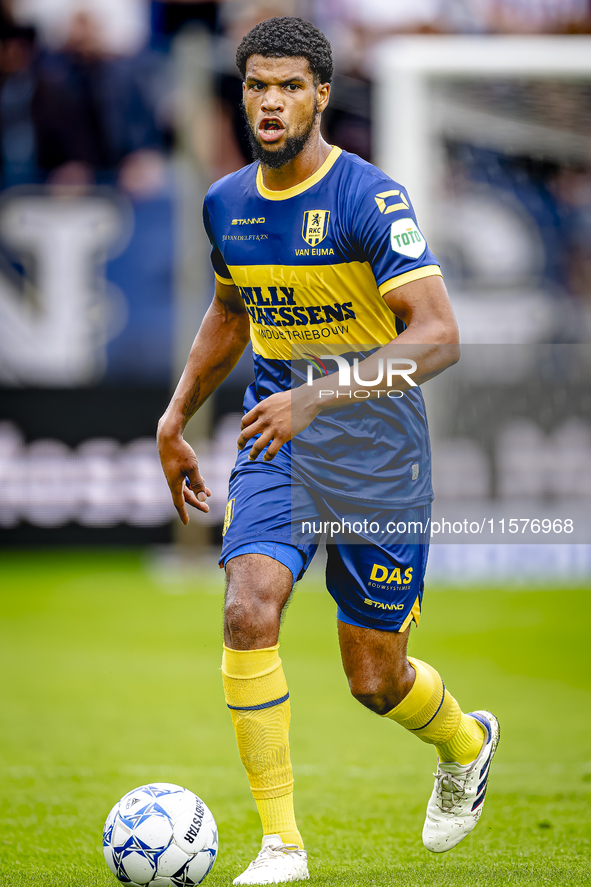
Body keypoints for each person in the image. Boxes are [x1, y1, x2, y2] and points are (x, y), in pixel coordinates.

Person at [157, 16, 499, 885]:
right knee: (247, 607)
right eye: (255, 86)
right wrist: (176, 415)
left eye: (287, 86)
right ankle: (281, 846)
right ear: (242, 96)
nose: (269, 102)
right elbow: (232, 311)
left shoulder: (368, 198)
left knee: (373, 680)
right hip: (281, 436)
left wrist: (320, 391)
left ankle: (464, 743)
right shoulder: (226, 200)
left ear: (320, 95)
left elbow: (438, 336)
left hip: (378, 453)